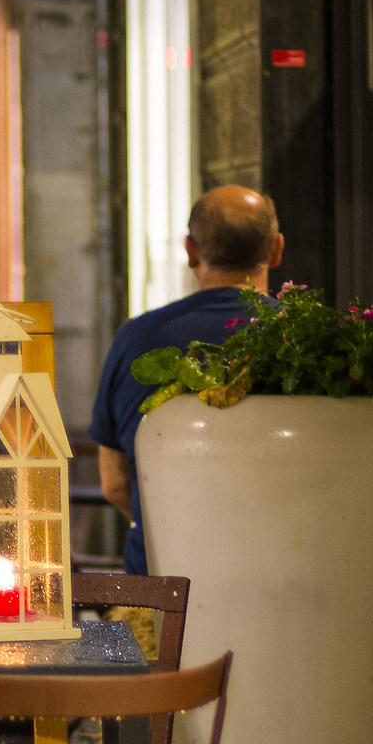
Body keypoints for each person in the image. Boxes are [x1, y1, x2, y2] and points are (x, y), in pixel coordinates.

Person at [88, 185, 284, 574]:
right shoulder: (305, 342)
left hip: (163, 586)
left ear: (191, 250)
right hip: (280, 579)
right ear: (276, 249)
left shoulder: (137, 339)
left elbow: (113, 483)